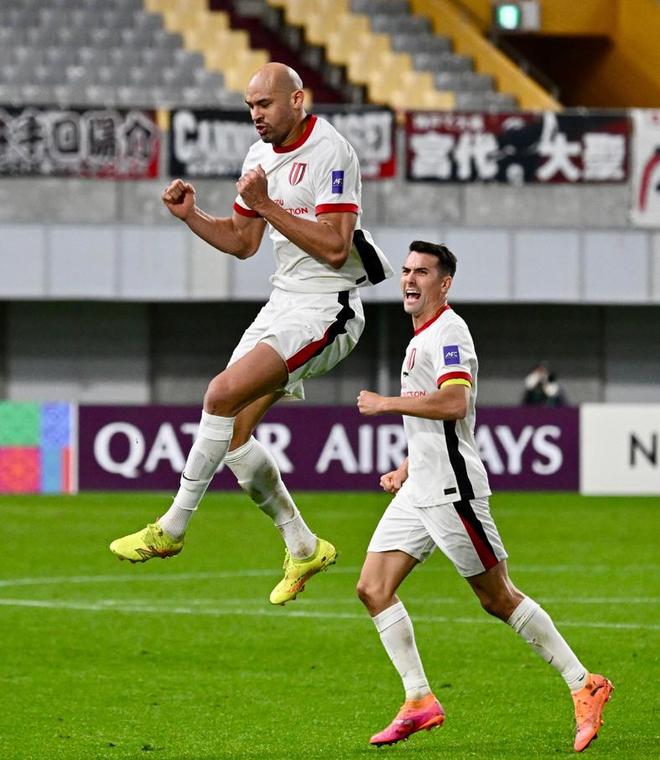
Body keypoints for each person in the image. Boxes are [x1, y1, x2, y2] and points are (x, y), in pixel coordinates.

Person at [109, 62, 392, 606]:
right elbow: (243, 241)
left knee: (219, 394)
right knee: (234, 435)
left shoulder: (332, 151)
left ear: (297, 100)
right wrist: (192, 216)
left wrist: (265, 203)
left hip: (328, 307)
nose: (256, 115)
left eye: (264, 104)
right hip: (282, 303)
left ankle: (172, 527)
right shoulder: (258, 155)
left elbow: (337, 248)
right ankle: (303, 545)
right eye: (250, 107)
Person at [355, 241, 612, 752]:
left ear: (444, 283)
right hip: (422, 487)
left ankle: (584, 683)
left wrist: (386, 404)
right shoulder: (420, 336)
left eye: (422, 272)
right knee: (372, 587)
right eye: (406, 270)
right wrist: (407, 466)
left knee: (497, 597)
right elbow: (436, 421)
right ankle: (418, 699)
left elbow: (455, 402)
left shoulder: (450, 331)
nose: (409, 279)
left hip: (452, 490)